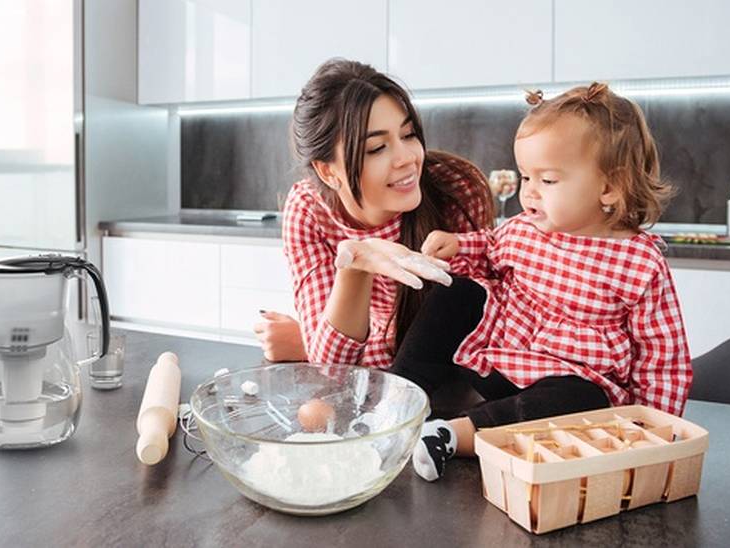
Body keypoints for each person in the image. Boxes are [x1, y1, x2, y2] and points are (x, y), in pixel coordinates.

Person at [403, 82, 693, 481]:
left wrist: (653, 430)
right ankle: (399, 400)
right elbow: (489, 249)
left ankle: (452, 436)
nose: (530, 194)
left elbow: (662, 361)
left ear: (609, 187)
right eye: (525, 178)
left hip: (565, 392)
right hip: (502, 361)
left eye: (548, 181)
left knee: (588, 403)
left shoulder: (639, 262)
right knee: (458, 288)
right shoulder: (525, 229)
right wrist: (456, 245)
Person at [264, 58, 494, 369]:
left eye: (409, 134)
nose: (407, 158)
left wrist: (304, 341)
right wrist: (355, 266)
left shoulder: (457, 189)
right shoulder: (309, 209)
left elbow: (475, 334)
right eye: (376, 148)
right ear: (327, 171)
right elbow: (331, 369)